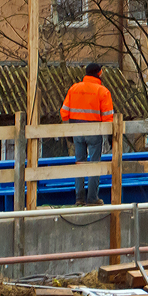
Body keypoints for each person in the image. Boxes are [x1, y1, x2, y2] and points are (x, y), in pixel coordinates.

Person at [61, 62, 114, 206]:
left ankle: (79, 198)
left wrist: (68, 131)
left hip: (77, 131)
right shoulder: (102, 91)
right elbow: (108, 116)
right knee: (94, 164)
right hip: (94, 132)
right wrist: (110, 137)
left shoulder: (74, 88)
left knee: (79, 163)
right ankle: (92, 199)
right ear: (98, 73)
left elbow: (64, 112)